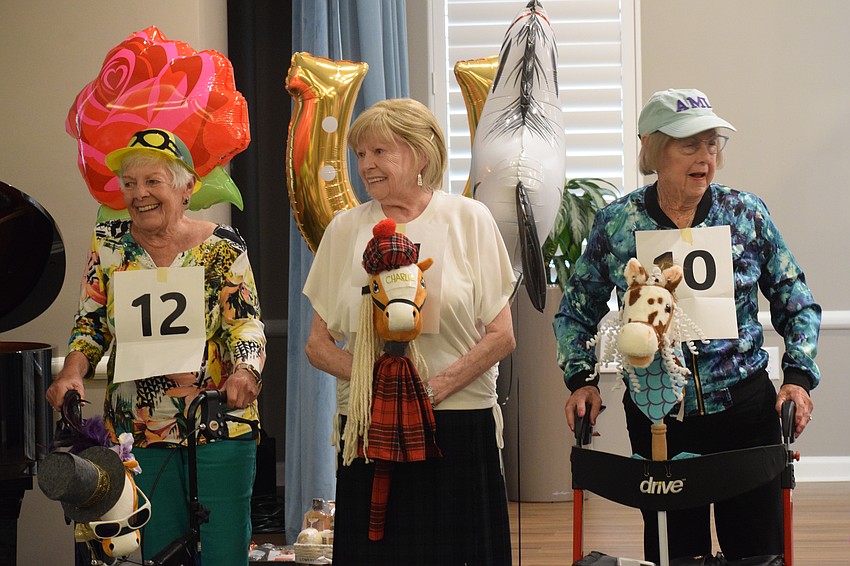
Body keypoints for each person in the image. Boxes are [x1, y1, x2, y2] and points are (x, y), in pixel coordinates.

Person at [554, 88, 821, 563]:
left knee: (757, 553)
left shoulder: (746, 213)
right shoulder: (618, 223)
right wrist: (581, 380)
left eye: (712, 143)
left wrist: (798, 379)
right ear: (654, 149)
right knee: (674, 553)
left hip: (744, 414)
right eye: (689, 145)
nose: (706, 157)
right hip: (659, 419)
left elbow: (796, 301)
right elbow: (576, 310)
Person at [303, 98, 516, 565]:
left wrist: (430, 389)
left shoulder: (469, 219)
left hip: (458, 419)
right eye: (360, 154)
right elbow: (317, 345)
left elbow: (501, 336)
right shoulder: (343, 230)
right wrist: (382, 385)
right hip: (369, 424)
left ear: (421, 154)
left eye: (380, 151)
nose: (366, 165)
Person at [46, 128, 266, 566]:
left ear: (186, 189)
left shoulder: (222, 246)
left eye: (153, 182)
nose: (139, 194)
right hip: (137, 432)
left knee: (225, 550)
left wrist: (246, 372)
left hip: (219, 422)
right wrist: (72, 371)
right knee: (154, 553)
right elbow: (89, 326)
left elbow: (244, 323)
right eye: (129, 184)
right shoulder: (109, 245)